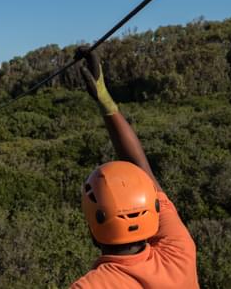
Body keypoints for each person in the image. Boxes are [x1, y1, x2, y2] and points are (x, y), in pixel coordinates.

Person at [71, 48, 199, 289]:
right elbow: (142, 170)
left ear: (93, 224)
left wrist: (105, 104)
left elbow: (143, 173)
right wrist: (105, 101)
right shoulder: (179, 253)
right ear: (152, 207)